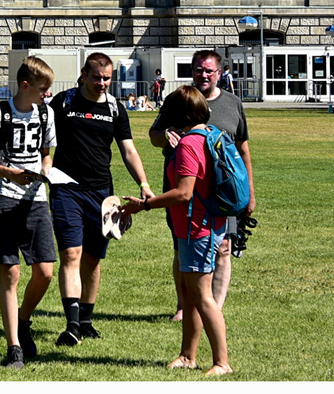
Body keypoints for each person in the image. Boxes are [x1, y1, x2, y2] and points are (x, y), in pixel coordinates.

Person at [121, 85, 232, 376]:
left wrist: (145, 205)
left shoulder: (188, 145)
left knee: (203, 297)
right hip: (201, 226)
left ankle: (222, 362)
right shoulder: (209, 135)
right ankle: (187, 356)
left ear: (179, 114)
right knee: (191, 293)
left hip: (198, 229)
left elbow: (183, 193)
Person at [47, 52, 154, 347]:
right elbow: (43, 137)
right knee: (71, 254)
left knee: (93, 260)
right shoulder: (64, 102)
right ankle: (71, 325)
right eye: (97, 77)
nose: (102, 83)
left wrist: (143, 183)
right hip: (66, 189)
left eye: (107, 78)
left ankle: (86, 321)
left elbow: (129, 151)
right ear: (84, 73)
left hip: (101, 193)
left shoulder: (115, 108)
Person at [149, 49, 253, 322]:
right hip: (183, 190)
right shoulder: (179, 99)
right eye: (198, 69)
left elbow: (243, 150)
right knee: (182, 248)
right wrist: (167, 135)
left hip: (222, 190)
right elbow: (154, 135)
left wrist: (249, 192)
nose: (203, 75)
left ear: (220, 73)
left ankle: (213, 309)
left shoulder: (232, 104)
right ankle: (184, 306)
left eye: (209, 70)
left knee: (224, 248)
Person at [0, 56, 59, 369]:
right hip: (3, 199)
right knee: (10, 272)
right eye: (42, 89)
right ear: (26, 85)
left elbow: (46, 153)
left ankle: (23, 320)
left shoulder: (46, 113)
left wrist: (46, 171)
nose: (46, 95)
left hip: (36, 200)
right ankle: (14, 349)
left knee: (46, 270)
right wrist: (9, 173)